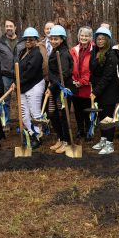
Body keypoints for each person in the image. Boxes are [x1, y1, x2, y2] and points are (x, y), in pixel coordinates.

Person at [90, 27, 119, 154]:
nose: (100, 41)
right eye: (98, 38)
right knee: (101, 117)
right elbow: (93, 71)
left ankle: (110, 143)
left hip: (109, 91)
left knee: (108, 118)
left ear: (108, 40)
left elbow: (107, 77)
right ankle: (103, 139)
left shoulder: (111, 55)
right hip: (99, 90)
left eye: (103, 39)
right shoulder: (95, 52)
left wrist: (95, 91)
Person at [46, 25, 75, 154]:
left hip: (63, 88)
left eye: (56, 39)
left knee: (64, 115)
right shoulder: (54, 51)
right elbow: (52, 73)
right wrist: (50, 85)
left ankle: (67, 141)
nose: (53, 41)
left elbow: (63, 74)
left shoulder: (63, 53)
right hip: (54, 87)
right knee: (52, 113)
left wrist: (52, 86)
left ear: (62, 39)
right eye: (52, 38)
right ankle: (60, 137)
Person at [17, 27, 45, 149]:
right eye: (26, 40)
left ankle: (38, 136)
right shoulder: (23, 52)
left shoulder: (37, 54)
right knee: (24, 113)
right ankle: (31, 132)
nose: (28, 42)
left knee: (35, 112)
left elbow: (30, 72)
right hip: (23, 86)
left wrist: (17, 82)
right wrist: (16, 82)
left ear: (36, 40)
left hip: (34, 85)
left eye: (31, 40)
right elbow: (19, 70)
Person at [0, 19, 19, 131]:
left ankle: (24, 121)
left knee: (23, 99)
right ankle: (6, 122)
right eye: (6, 26)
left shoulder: (22, 41)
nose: (9, 28)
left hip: (20, 75)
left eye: (11, 26)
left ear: (15, 27)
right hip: (5, 75)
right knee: (5, 100)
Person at [69, 26, 93, 141]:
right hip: (75, 86)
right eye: (82, 35)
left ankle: (89, 130)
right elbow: (69, 67)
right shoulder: (73, 50)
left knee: (87, 110)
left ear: (90, 37)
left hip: (87, 87)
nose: (84, 38)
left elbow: (92, 70)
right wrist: (74, 81)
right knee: (77, 110)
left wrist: (82, 82)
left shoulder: (93, 50)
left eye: (86, 36)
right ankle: (80, 129)